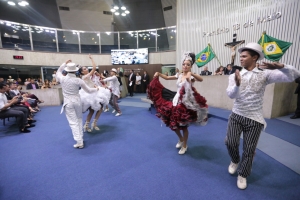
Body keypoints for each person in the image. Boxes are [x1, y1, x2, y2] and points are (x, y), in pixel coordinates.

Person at [225, 42, 300, 190]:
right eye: (240, 56)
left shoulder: (266, 74)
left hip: (254, 119)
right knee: (230, 142)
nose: (241, 58)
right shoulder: (235, 75)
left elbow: (295, 75)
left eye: (244, 56)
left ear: (255, 57)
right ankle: (234, 160)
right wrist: (237, 84)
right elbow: (230, 95)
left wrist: (282, 66)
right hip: (236, 115)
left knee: (249, 149)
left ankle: (243, 174)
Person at [148, 52, 208, 155]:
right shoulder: (179, 75)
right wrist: (158, 73)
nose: (185, 66)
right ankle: (180, 139)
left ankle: (185, 145)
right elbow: (167, 78)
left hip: (185, 104)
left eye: (188, 65)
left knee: (183, 126)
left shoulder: (191, 76)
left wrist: (191, 74)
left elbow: (201, 79)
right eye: (184, 64)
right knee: (173, 123)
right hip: (175, 102)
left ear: (191, 66)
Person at [56, 60, 98, 149]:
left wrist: (64, 63)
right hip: (78, 101)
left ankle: (79, 141)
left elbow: (58, 71)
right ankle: (80, 137)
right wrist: (97, 89)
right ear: (75, 71)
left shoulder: (62, 78)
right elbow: (89, 91)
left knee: (73, 122)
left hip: (68, 103)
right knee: (79, 119)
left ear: (67, 70)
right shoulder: (78, 80)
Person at [78, 55, 110, 132]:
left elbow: (90, 83)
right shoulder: (85, 76)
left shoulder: (85, 77)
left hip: (92, 92)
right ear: (82, 72)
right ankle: (92, 124)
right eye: (85, 69)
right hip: (89, 94)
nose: (87, 69)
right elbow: (94, 68)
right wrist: (91, 58)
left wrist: (95, 86)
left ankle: (88, 125)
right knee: (98, 109)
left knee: (94, 110)